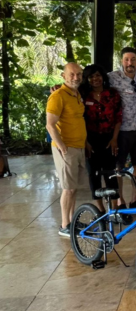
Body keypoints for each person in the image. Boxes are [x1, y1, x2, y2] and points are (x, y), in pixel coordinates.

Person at [46, 63, 87, 237]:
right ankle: (64, 225)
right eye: (72, 74)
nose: (75, 77)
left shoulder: (77, 94)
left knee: (73, 187)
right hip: (66, 148)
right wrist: (63, 147)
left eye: (78, 74)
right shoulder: (58, 96)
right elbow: (50, 125)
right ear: (64, 76)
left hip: (78, 146)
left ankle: (71, 221)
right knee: (68, 189)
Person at [108, 47, 136, 210]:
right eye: (126, 59)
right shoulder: (112, 78)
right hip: (121, 131)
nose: (130, 63)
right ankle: (121, 201)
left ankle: (134, 199)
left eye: (133, 59)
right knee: (118, 167)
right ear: (121, 61)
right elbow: (91, 83)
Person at [79, 64, 122, 213]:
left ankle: (115, 209)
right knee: (94, 174)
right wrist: (86, 142)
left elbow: (118, 118)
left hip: (110, 139)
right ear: (87, 79)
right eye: (91, 76)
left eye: (98, 75)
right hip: (90, 139)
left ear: (103, 77)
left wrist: (115, 138)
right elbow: (80, 120)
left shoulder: (113, 94)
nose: (95, 79)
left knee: (111, 172)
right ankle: (100, 210)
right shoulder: (83, 95)